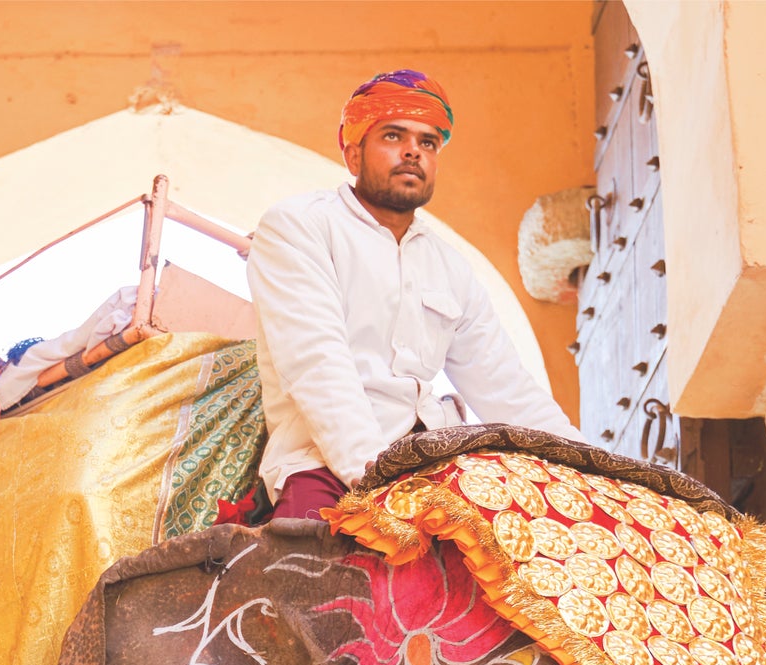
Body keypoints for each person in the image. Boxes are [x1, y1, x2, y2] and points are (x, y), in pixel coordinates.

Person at [246, 68, 579, 519]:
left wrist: (596, 471)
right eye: (392, 135)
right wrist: (377, 480)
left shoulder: (450, 266)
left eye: (428, 143)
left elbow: (507, 389)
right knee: (320, 577)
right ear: (352, 153)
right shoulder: (300, 226)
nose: (412, 152)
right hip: (325, 465)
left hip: (434, 467)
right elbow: (317, 364)